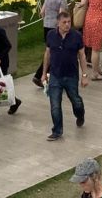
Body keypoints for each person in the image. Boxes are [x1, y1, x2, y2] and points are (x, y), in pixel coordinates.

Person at [41, 11, 89, 141]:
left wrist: (84, 75)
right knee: (55, 104)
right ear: (58, 23)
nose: (67, 25)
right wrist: (44, 73)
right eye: (64, 22)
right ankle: (57, 130)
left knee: (76, 101)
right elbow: (47, 54)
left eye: (69, 22)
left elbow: (82, 55)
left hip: (71, 75)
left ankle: (80, 115)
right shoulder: (51, 35)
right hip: (55, 76)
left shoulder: (76, 36)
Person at [33, 0, 68, 87]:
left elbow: (42, 12)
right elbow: (61, 16)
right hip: (55, 27)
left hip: (46, 26)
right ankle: (41, 75)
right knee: (55, 53)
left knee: (49, 51)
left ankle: (45, 75)